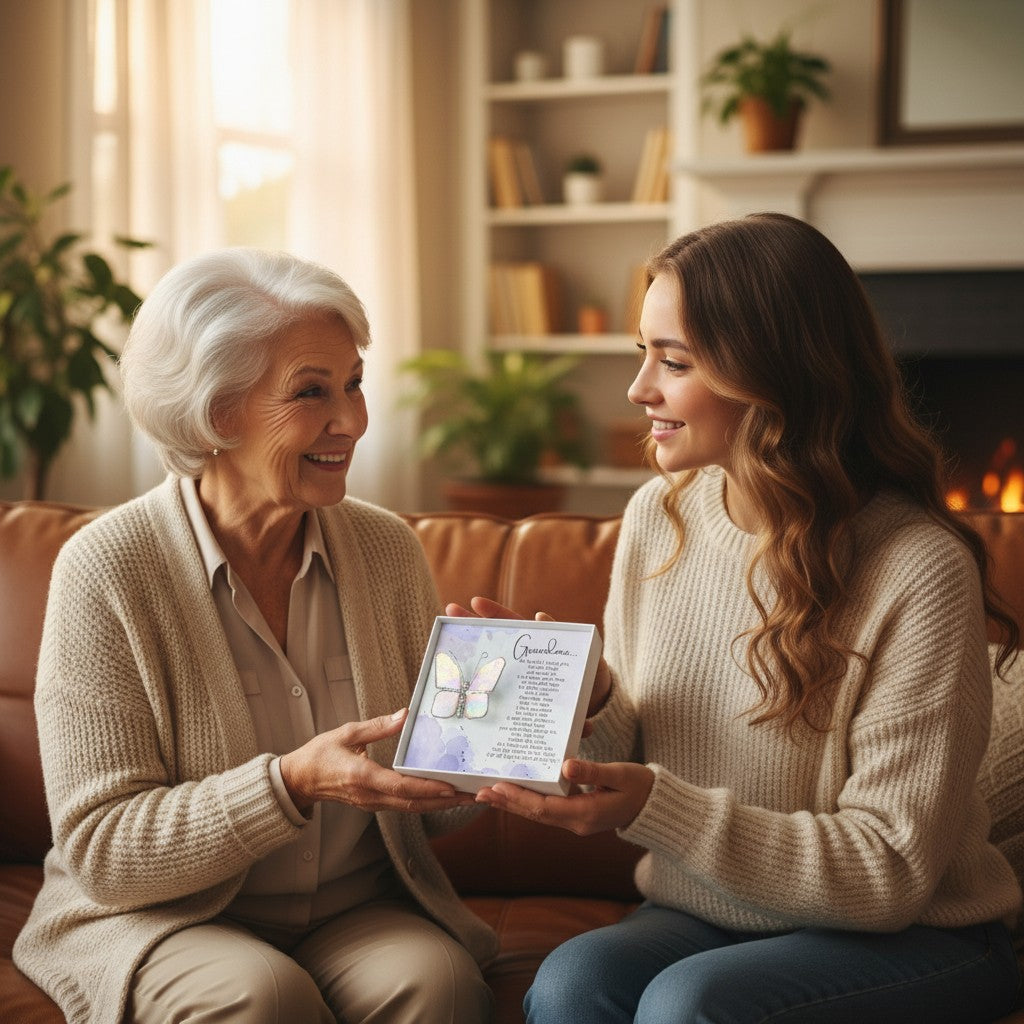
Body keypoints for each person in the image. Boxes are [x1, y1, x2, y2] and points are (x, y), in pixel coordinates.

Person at [451, 213, 1023, 1023]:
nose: (638, 389)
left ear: (773, 376)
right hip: (709, 908)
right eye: (643, 352)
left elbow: (888, 872)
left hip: (917, 931)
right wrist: (590, 696)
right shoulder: (658, 516)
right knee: (573, 983)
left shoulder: (917, 566)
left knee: (690, 1004)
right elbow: (629, 755)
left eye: (673, 361)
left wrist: (653, 804)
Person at [14, 248, 496, 1024]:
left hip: (353, 910)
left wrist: (488, 729)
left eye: (354, 383)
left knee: (437, 981)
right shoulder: (108, 568)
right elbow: (103, 849)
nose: (353, 421)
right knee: (260, 994)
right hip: (165, 917)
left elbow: (432, 812)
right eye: (311, 392)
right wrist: (291, 784)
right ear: (215, 413)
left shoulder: (386, 549)